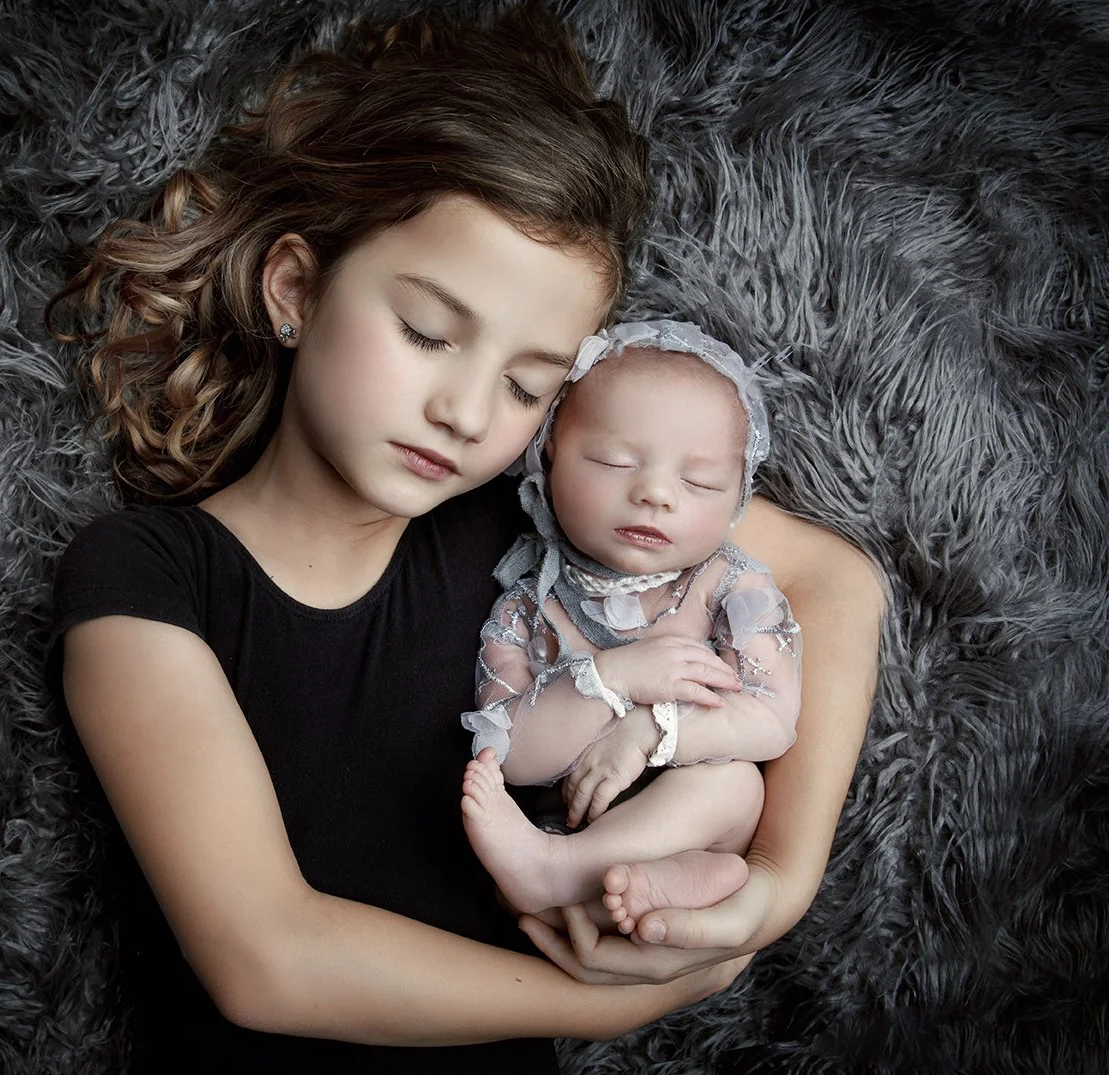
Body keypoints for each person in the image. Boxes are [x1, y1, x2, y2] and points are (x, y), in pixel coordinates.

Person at [46, 5, 885, 1072]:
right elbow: (265, 957)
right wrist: (593, 1006)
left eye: (529, 383)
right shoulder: (144, 577)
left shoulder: (525, 518)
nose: (465, 410)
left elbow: (831, 575)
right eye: (426, 333)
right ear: (296, 288)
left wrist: (778, 880)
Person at [459, 321, 801, 939]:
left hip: (690, 815)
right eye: (615, 461)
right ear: (549, 455)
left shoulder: (731, 590)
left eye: (698, 482)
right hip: (566, 822)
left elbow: (772, 718)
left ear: (738, 499)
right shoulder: (529, 604)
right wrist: (612, 678)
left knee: (735, 785)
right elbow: (506, 756)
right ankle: (635, 886)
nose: (654, 494)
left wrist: (649, 730)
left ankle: (562, 875)